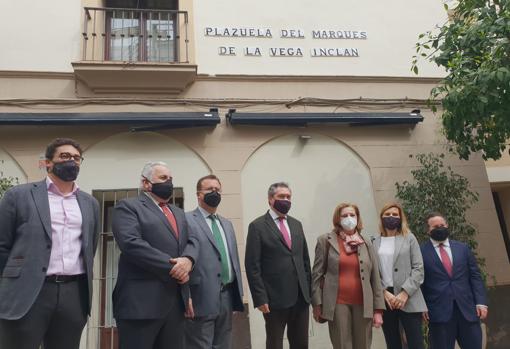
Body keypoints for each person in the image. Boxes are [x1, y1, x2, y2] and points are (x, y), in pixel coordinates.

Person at [0, 138, 100, 349]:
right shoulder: (19, 196)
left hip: (73, 294)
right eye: (64, 156)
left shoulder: (90, 203)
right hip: (28, 293)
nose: (71, 161)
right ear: (47, 163)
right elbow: (2, 245)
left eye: (76, 158)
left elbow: (90, 246)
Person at [112, 161, 199, 349]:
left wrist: (189, 260)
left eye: (171, 178)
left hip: (175, 304)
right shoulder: (128, 207)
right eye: (163, 178)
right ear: (146, 183)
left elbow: (192, 241)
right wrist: (175, 268)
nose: (169, 182)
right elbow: (131, 243)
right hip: (141, 305)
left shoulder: (178, 212)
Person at [245, 182, 311, 349]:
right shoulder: (257, 226)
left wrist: (309, 291)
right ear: (270, 199)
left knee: (301, 343)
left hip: (300, 297)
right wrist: (260, 298)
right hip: (274, 298)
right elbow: (252, 266)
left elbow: (304, 260)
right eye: (281, 197)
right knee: (275, 343)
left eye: (288, 197)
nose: (286, 200)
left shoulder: (296, 224)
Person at [311, 203, 385, 349]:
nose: (349, 218)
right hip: (337, 303)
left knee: (363, 344)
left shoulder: (366, 242)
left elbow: (375, 277)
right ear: (338, 219)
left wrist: (378, 310)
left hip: (364, 304)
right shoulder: (325, 240)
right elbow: (317, 275)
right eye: (344, 215)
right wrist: (317, 304)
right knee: (342, 345)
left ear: (358, 218)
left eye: (352, 215)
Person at [185, 174, 244, 349]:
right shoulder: (186, 220)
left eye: (217, 189)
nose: (215, 192)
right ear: (198, 194)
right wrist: (185, 296)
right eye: (210, 189)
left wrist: (236, 294)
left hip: (226, 296)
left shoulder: (226, 224)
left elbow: (233, 259)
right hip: (199, 297)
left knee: (223, 344)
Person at [421, 212, 488, 349]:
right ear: (428, 230)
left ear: (447, 225)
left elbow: (475, 276)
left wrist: (481, 302)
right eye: (435, 227)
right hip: (439, 313)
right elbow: (419, 282)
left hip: (468, 311)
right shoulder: (420, 252)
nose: (440, 228)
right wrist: (422, 306)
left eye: (442, 225)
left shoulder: (462, 248)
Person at [373, 202, 427, 349]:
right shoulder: (374, 242)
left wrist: (405, 293)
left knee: (415, 343)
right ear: (382, 218)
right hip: (386, 298)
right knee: (392, 342)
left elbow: (419, 268)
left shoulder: (409, 238)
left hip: (409, 295)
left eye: (395, 215)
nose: (391, 217)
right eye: (387, 214)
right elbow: (373, 272)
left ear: (400, 218)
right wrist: (384, 292)